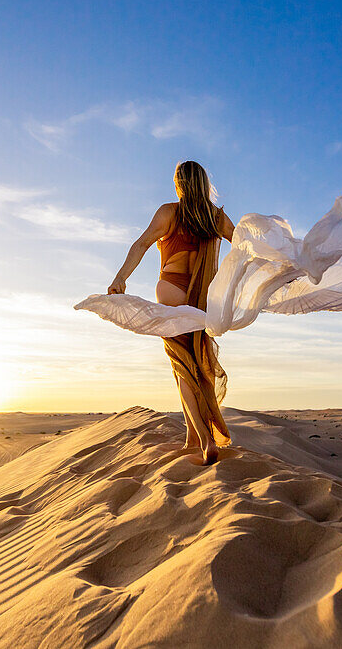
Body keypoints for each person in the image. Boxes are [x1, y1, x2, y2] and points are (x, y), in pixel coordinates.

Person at [107, 160, 235, 464]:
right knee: (197, 364)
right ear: (204, 184)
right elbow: (246, 245)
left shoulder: (169, 212)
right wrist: (278, 268)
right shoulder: (216, 217)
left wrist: (120, 277)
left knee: (181, 365)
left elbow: (141, 245)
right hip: (203, 299)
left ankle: (206, 440)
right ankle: (193, 435)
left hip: (171, 290)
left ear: (178, 183)